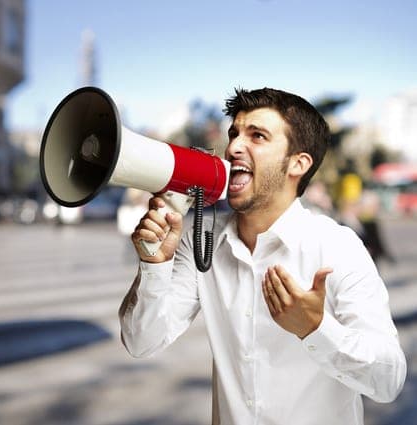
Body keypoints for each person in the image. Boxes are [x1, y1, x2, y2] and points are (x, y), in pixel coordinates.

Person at [118, 88, 406, 425]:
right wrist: (155, 265)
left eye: (257, 136)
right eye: (234, 133)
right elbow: (141, 342)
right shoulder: (202, 241)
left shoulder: (338, 247)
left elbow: (389, 381)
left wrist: (316, 329)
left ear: (298, 163)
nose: (234, 147)